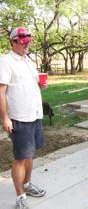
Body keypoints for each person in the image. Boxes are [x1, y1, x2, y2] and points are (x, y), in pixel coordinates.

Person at [0, 27, 46, 209]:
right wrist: (5, 117)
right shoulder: (5, 61)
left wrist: (41, 85)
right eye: (22, 41)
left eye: (28, 41)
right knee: (20, 158)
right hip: (19, 118)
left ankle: (27, 184)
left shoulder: (28, 60)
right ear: (13, 42)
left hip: (35, 115)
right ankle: (20, 196)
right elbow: (1, 92)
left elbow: (31, 84)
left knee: (30, 154)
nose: (27, 44)